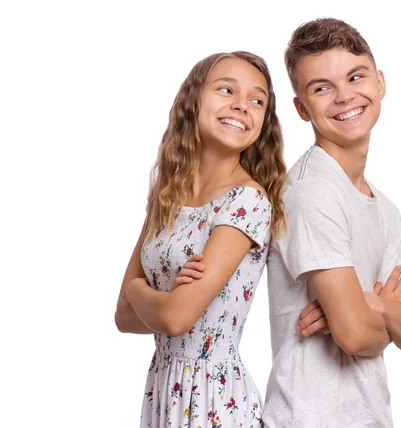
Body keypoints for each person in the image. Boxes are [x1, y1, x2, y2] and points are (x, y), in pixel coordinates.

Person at [261, 18, 401, 427]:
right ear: (302, 108)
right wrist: (380, 313)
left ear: (379, 83)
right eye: (322, 88)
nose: (344, 96)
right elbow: (355, 335)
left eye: (355, 77)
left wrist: (369, 301)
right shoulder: (313, 192)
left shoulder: (385, 208)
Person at [114, 51, 286, 428]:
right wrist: (161, 299)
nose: (242, 106)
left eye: (257, 100)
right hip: (163, 389)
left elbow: (176, 318)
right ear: (194, 101)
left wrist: (141, 292)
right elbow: (123, 317)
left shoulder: (247, 201)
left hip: (214, 399)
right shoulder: (167, 196)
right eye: (227, 90)